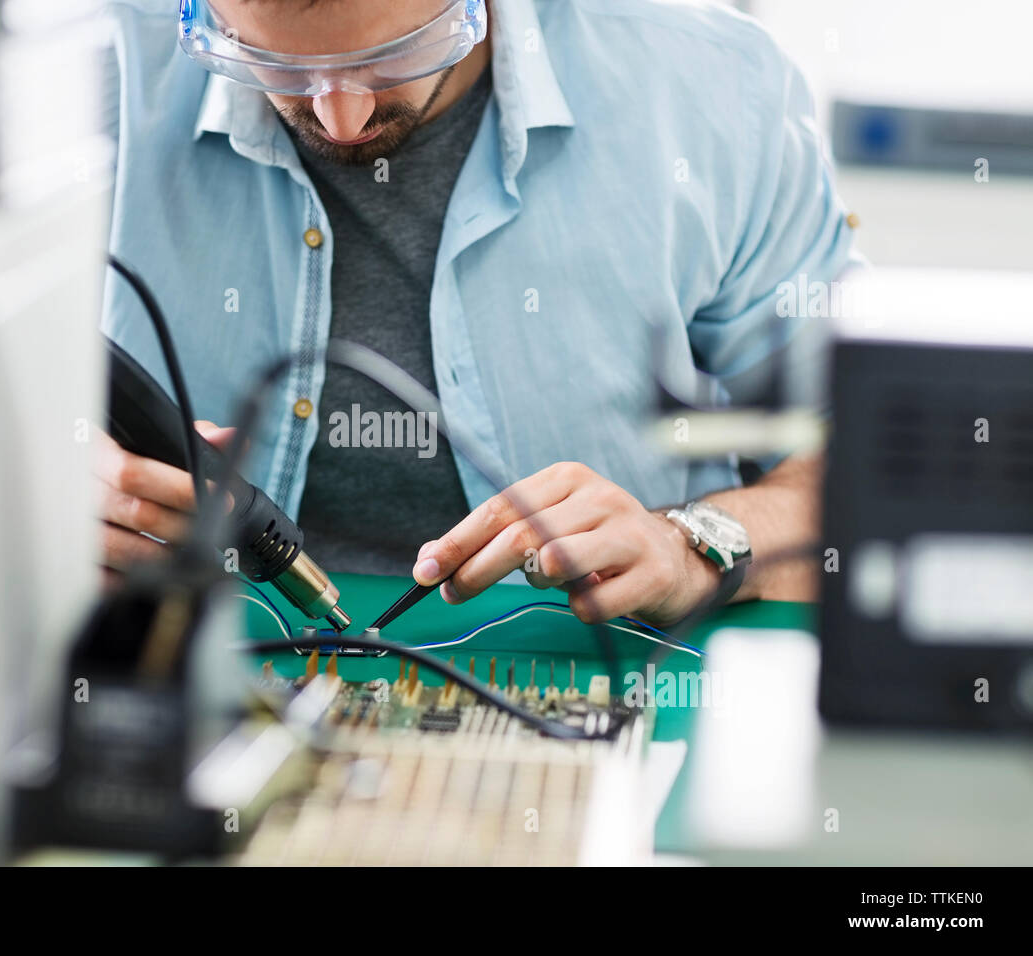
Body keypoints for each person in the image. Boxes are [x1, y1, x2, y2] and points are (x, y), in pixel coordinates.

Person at [96, 0, 861, 625]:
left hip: (617, 687)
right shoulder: (76, 82)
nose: (340, 118)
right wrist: (54, 500)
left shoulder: (715, 92)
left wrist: (692, 546)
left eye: (397, 52)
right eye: (275, 63)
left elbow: (870, 472)